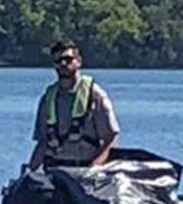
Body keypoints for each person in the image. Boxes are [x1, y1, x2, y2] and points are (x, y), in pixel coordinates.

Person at [28, 41, 119, 169]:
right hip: (55, 171)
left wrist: (94, 167)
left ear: (79, 61)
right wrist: (29, 171)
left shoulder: (95, 95)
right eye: (58, 61)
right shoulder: (47, 99)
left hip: (86, 170)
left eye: (68, 59)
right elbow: (42, 143)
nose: (63, 64)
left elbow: (110, 139)